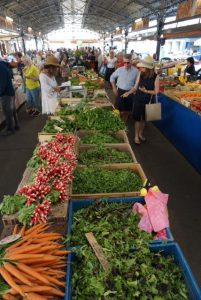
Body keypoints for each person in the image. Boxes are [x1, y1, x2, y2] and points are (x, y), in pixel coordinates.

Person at [132, 55, 159, 145]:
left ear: (147, 68)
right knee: (137, 119)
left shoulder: (155, 77)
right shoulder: (140, 73)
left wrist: (146, 91)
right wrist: (129, 92)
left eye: (142, 66)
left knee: (144, 119)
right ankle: (136, 135)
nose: (140, 67)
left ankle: (140, 134)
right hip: (138, 99)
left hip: (147, 100)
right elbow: (136, 86)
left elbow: (156, 91)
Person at [110, 54, 139, 122]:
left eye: (128, 62)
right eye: (124, 62)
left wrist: (133, 91)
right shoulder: (120, 70)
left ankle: (123, 123)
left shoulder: (136, 71)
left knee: (127, 110)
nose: (126, 64)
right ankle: (119, 122)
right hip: (120, 91)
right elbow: (112, 77)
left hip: (130, 92)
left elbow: (137, 83)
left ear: (131, 61)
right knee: (119, 110)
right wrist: (114, 88)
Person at [0, 60, 19, 135]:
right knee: (13, 110)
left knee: (8, 112)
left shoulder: (1, 67)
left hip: (6, 94)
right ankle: (16, 125)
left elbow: (3, 83)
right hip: (10, 91)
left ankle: (10, 129)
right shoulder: (2, 64)